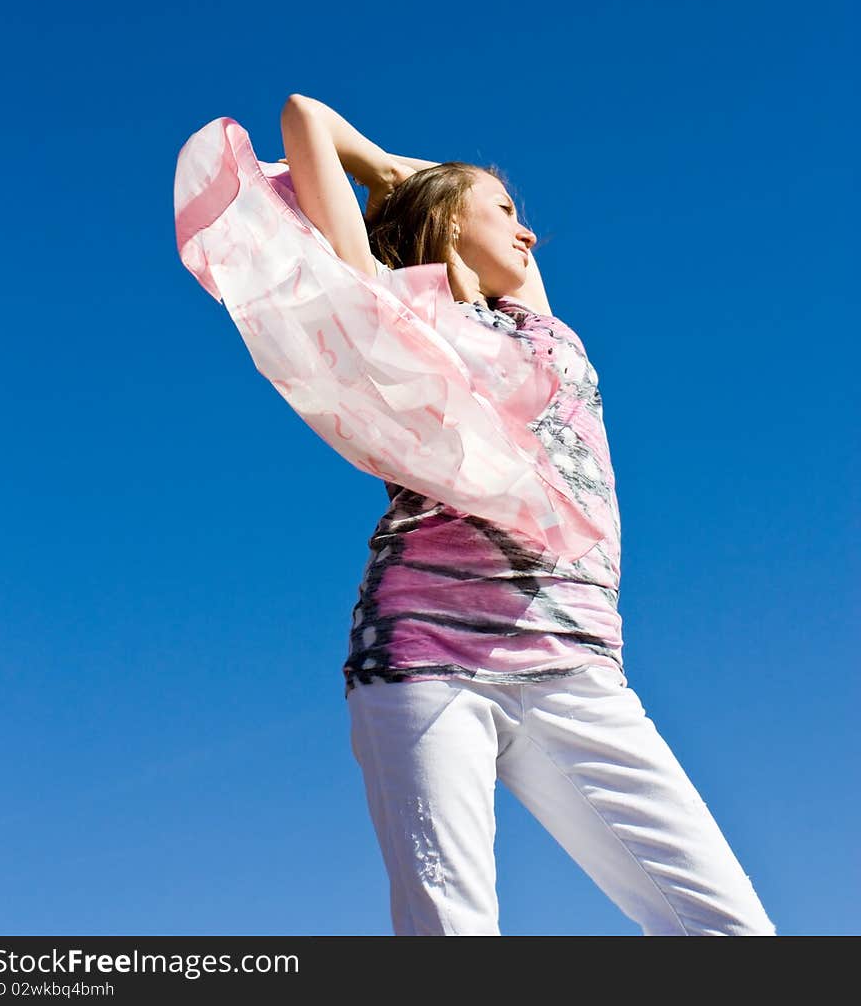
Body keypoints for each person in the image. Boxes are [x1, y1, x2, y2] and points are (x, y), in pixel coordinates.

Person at [173, 94, 778, 937]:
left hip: (576, 664)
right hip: (425, 661)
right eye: (506, 211)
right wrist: (401, 179)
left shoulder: (537, 322)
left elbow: (482, 230)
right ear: (451, 222)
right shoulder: (391, 311)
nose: (528, 234)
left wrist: (462, 196)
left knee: (734, 936)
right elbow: (305, 117)